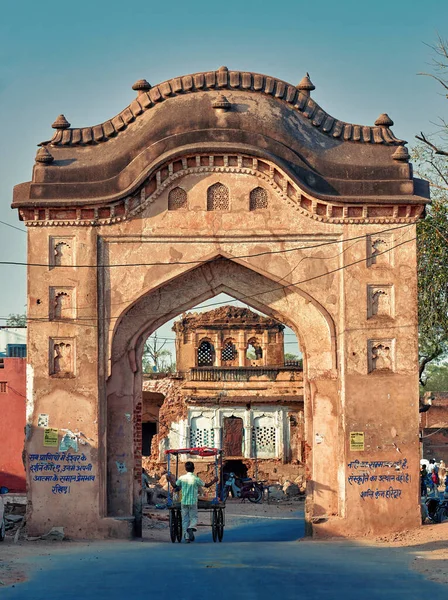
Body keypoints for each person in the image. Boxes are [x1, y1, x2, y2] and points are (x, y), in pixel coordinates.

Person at [167, 462, 218, 543]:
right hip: (193, 501)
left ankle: (186, 537)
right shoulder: (196, 479)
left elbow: (175, 486)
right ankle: (191, 527)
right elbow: (207, 485)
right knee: (193, 517)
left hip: (184, 501)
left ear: (185, 469)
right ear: (193, 469)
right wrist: (214, 480)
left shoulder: (182, 478)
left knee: (185, 519)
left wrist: (169, 480)